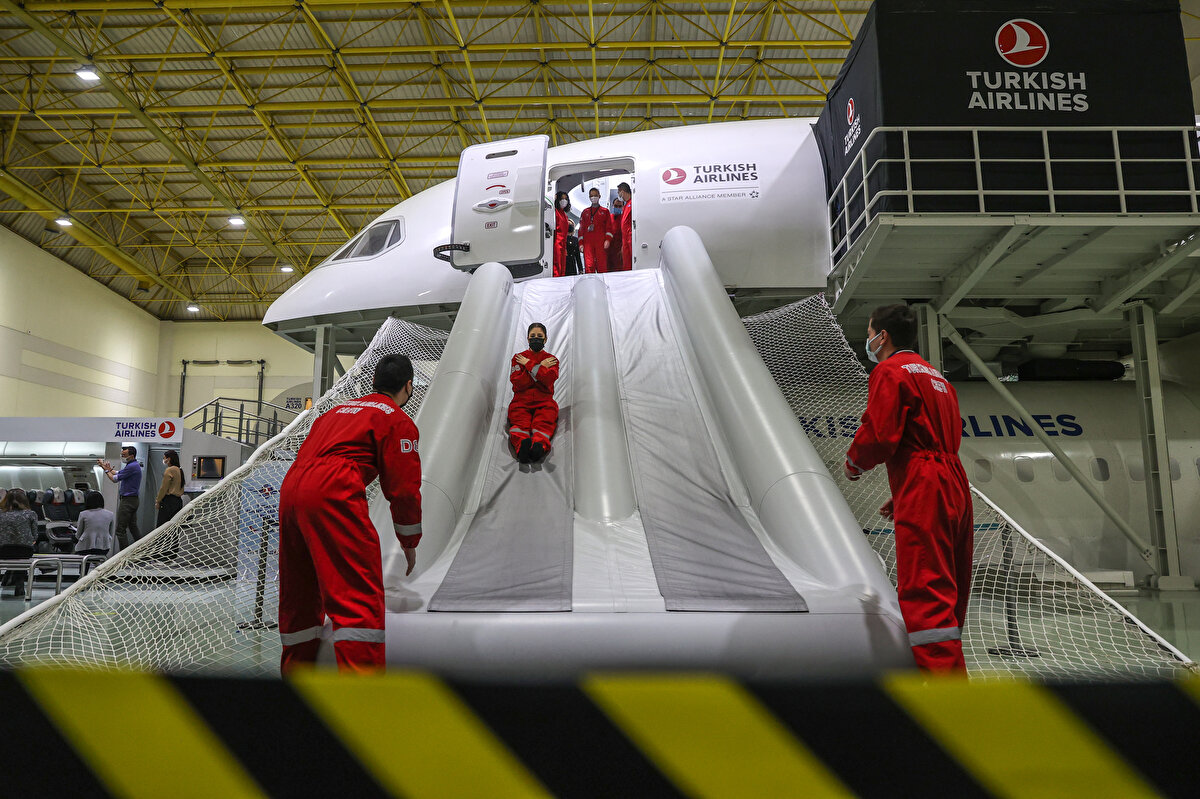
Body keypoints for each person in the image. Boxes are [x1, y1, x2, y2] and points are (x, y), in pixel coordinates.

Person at [843, 304, 973, 674]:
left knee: (925, 588)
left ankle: (943, 695)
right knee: (951, 585)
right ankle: (950, 670)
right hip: (952, 481)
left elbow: (880, 434)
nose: (867, 341)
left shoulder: (889, 370)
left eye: (869, 334)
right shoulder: (937, 378)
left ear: (882, 336)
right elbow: (933, 443)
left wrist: (854, 463)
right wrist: (906, 492)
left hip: (925, 481)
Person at [278, 354, 422, 674]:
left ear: (374, 382)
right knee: (357, 597)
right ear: (408, 385)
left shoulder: (333, 412)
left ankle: (295, 677)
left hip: (291, 489)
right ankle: (361, 699)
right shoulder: (396, 419)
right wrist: (409, 540)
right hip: (333, 489)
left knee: (299, 595)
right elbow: (403, 490)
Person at [508, 323, 560, 464]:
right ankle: (522, 447)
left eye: (539, 336)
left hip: (544, 401)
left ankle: (539, 446)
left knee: (545, 422)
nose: (535, 339)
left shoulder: (552, 360)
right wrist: (541, 368)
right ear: (527, 338)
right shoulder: (518, 358)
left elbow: (548, 379)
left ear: (545, 339)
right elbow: (518, 382)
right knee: (519, 423)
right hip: (520, 401)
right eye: (532, 336)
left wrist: (529, 365)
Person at [99, 447, 141, 550]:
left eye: (124, 455)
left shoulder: (132, 467)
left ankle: (123, 556)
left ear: (131, 456)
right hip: (133, 500)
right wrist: (108, 469)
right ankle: (142, 550)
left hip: (128, 501)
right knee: (133, 528)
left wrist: (105, 470)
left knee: (120, 530)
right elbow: (118, 473)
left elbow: (114, 479)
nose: (122, 457)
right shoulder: (133, 465)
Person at [0, 489, 38, 596]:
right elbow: (35, 536)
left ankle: (8, 579)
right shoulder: (31, 514)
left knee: (12, 553)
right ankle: (19, 584)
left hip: (3, 551)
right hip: (25, 551)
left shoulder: (1, 514)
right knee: (20, 554)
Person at [579, 187, 614, 274]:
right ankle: (590, 286)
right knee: (589, 267)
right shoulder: (585, 212)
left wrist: (607, 240)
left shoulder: (605, 212)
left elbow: (609, 228)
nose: (593, 197)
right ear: (589, 197)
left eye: (595, 195)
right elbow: (581, 230)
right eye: (591, 196)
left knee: (602, 267)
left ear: (599, 196)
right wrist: (581, 244)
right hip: (588, 245)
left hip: (601, 244)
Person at [75, 491, 115, 557]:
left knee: (84, 559)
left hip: (85, 548)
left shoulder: (83, 514)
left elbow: (78, 535)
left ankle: (84, 567)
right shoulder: (110, 514)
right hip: (104, 547)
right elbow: (110, 533)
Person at [155, 450, 185, 528]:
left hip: (168, 502)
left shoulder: (169, 470)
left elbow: (164, 488)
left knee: (162, 527)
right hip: (178, 502)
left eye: (164, 458)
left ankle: (161, 541)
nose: (164, 460)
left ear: (169, 459)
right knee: (174, 527)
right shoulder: (180, 470)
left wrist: (158, 501)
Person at [552, 191, 571, 278]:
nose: (564, 201)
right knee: (557, 265)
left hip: (563, 244)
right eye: (562, 199)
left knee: (563, 266)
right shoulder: (555, 212)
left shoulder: (564, 214)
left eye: (566, 199)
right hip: (556, 243)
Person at [617, 182, 634, 271]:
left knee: (632, 263)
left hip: (631, 238)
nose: (619, 195)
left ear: (622, 192)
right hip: (626, 239)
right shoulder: (626, 205)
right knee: (626, 264)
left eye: (618, 192)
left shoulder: (633, 203)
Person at [608, 198, 625, 273]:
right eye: (616, 206)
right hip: (608, 251)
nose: (617, 208)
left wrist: (623, 248)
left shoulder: (624, 219)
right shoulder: (608, 218)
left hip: (619, 251)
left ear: (622, 207)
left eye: (619, 206)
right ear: (612, 206)